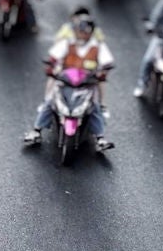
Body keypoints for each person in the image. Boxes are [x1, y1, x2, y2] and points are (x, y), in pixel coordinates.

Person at [23, 8, 114, 150]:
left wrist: (103, 72)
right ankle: (36, 130)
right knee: (50, 102)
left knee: (94, 107)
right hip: (66, 81)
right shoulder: (68, 43)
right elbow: (53, 57)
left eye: (85, 32)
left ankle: (100, 138)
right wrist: (51, 67)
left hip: (86, 85)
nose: (82, 34)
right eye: (80, 31)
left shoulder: (97, 46)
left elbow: (107, 62)